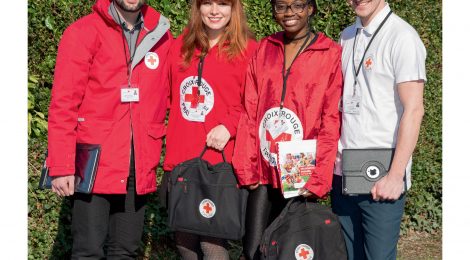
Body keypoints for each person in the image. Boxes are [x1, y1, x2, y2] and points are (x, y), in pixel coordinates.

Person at [46, 0, 172, 258]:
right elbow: (63, 103)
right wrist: (61, 166)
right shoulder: (82, 32)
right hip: (95, 164)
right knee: (88, 252)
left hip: (138, 164)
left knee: (125, 251)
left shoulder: (161, 34)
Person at [232, 0, 343, 259]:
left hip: (299, 169)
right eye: (281, 6)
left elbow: (330, 120)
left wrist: (318, 178)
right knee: (253, 250)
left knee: (290, 249)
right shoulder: (265, 48)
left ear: (311, 8)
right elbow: (250, 109)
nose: (290, 13)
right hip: (264, 167)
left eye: (298, 5)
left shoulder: (329, 52)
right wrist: (247, 168)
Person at [161, 0, 257, 259]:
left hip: (219, 163)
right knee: (184, 242)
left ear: (234, 9)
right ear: (197, 7)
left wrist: (230, 125)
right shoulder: (178, 47)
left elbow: (257, 101)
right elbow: (161, 96)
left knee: (212, 245)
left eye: (223, 4)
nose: (215, 11)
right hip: (181, 160)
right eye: (208, 3)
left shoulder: (249, 50)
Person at [331, 0, 426, 259]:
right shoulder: (347, 35)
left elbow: (414, 109)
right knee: (349, 255)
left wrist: (395, 176)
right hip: (344, 172)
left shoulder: (402, 37)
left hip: (382, 176)